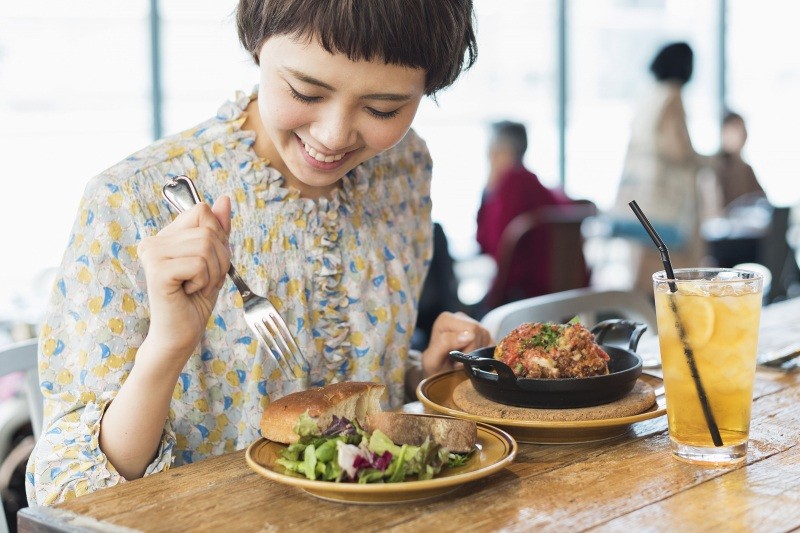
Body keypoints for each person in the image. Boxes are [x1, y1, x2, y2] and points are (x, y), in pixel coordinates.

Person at [26, 0, 491, 505]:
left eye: (383, 109)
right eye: (305, 91)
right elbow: (68, 494)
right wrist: (167, 348)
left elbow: (353, 385)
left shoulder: (402, 168)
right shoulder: (130, 199)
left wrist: (426, 375)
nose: (332, 136)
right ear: (255, 43)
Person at [610, 42, 715, 296]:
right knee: (673, 284)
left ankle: (640, 331)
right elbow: (678, 150)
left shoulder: (649, 96)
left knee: (643, 278)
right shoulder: (672, 97)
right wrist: (710, 161)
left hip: (642, 202)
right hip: (668, 208)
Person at [476, 120, 578, 307]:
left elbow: (490, 244)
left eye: (491, 152)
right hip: (557, 287)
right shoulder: (533, 182)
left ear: (502, 152)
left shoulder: (510, 186)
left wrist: (488, 193)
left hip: (523, 292)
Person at [712, 111, 766, 208]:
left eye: (741, 130)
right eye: (733, 130)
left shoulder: (746, 169)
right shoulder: (715, 168)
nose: (739, 135)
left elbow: (761, 200)